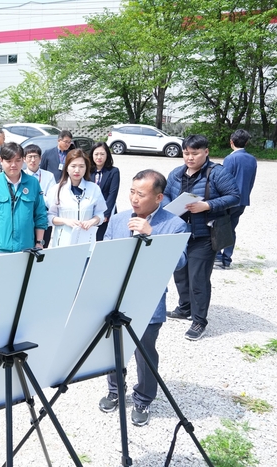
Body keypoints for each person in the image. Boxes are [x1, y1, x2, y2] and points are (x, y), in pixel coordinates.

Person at [98, 169, 187, 427]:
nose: (134, 199)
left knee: (145, 351)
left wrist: (152, 236)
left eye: (142, 194)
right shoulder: (119, 219)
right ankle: (115, 389)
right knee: (113, 347)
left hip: (149, 299)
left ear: (159, 198)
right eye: (132, 192)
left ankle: (143, 398)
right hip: (116, 296)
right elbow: (107, 252)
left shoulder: (174, 224)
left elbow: (179, 262)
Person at [164, 135, 239, 341]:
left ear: (206, 152)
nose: (190, 157)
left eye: (195, 153)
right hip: (180, 233)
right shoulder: (176, 174)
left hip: (204, 235)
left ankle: (199, 321)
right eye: (186, 153)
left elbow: (234, 196)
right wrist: (169, 206)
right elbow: (165, 195)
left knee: (198, 278)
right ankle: (184, 308)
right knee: (180, 274)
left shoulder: (217, 173)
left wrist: (207, 205)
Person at [0, 142, 47, 256]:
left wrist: (39, 242)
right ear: (1, 160)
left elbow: (40, 214)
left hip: (26, 248)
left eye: (18, 160)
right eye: (9, 161)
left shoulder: (33, 183)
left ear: (23, 160)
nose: (13, 165)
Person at [46, 149, 107, 248]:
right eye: (73, 166)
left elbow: (100, 214)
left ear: (86, 168)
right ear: (66, 168)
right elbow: (49, 217)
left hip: (87, 243)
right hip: (62, 244)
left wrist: (92, 221)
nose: (77, 170)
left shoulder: (94, 188)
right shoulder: (56, 190)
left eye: (81, 166)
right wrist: (65, 221)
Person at [215, 129, 257, 269]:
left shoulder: (230, 158)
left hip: (229, 199)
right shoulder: (252, 159)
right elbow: (251, 181)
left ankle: (218, 257)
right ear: (246, 142)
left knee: (220, 226)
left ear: (231, 142)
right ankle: (227, 258)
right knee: (232, 228)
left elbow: (224, 180)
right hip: (243, 199)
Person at [89, 142, 120, 241]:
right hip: (90, 210)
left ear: (107, 155)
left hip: (106, 211)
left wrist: (105, 214)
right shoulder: (87, 171)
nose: (99, 157)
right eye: (96, 154)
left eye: (102, 154)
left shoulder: (113, 171)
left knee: (102, 238)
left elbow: (112, 193)